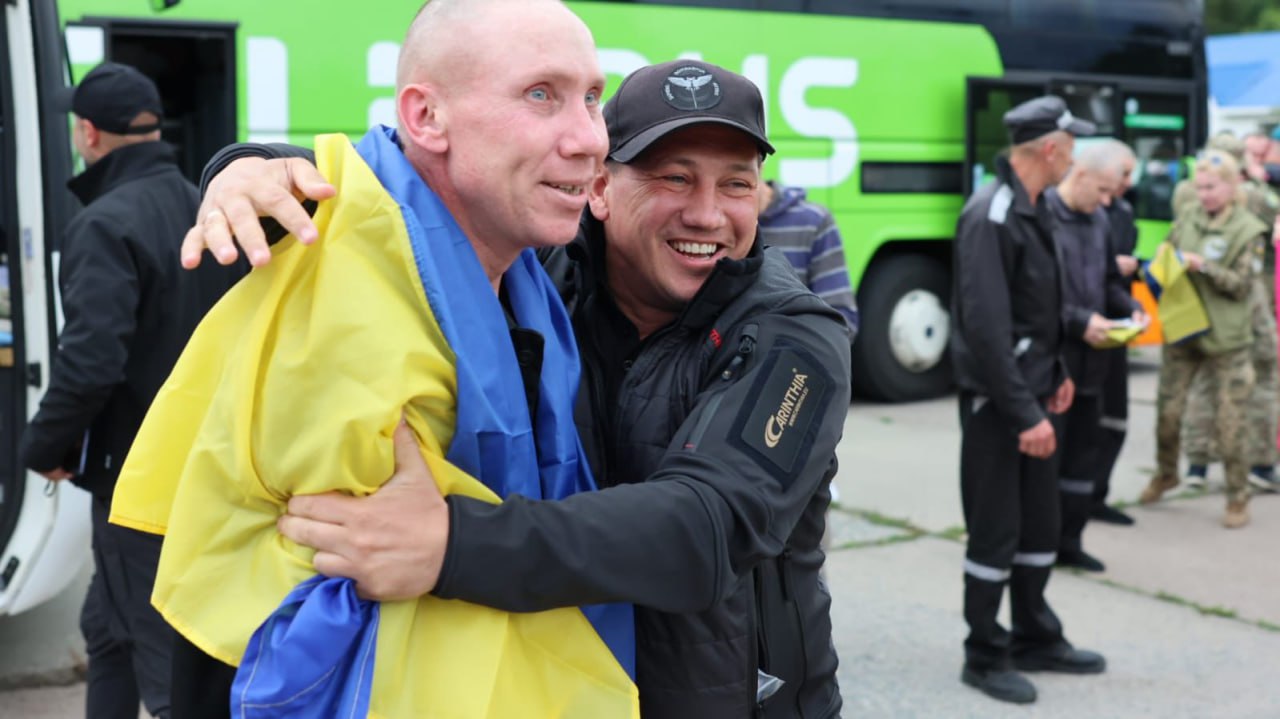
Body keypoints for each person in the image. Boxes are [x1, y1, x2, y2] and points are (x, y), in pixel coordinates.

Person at [187, 57, 852, 717]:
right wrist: (255, 165)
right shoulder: (539, 279)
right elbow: (417, 199)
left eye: (736, 185)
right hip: (556, 688)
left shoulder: (795, 335)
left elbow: (703, 527)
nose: (707, 214)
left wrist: (449, 543)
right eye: (674, 178)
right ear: (598, 188)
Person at [110, 2, 638, 717]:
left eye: (593, 98)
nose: (588, 139)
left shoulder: (526, 273)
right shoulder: (338, 265)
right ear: (425, 118)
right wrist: (239, 169)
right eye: (541, 94)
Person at [17, 62, 246, 719]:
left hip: (138, 486)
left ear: (88, 133)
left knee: (170, 674)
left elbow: (91, 360)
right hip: (212, 466)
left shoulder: (103, 224)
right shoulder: (205, 205)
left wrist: (43, 446)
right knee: (109, 632)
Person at [950, 95, 1104, 705]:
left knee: (1040, 525)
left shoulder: (1036, 208)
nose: (1076, 154)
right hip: (1002, 405)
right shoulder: (992, 212)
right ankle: (984, 653)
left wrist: (1059, 370)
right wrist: (1022, 412)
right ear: (1050, 148)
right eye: (1072, 144)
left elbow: (1036, 311)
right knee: (997, 530)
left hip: (1038, 396)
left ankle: (1036, 634)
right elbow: (987, 327)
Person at [1140, 150, 1268, 528]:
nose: (1205, 195)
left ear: (1231, 187)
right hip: (1184, 329)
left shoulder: (1249, 229)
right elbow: (1168, 248)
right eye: (1199, 187)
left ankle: (1237, 496)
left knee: (1231, 424)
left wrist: (1204, 267)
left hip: (1227, 338)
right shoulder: (1188, 217)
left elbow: (1243, 285)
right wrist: (1161, 260)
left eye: (1211, 187)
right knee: (1168, 413)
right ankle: (1167, 472)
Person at [1043, 144, 1143, 573]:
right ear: (1079, 173)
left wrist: (1128, 308)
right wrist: (1082, 321)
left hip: (1094, 363)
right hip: (1056, 364)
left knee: (1083, 459)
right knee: (1049, 464)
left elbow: (1106, 281)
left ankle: (1071, 541)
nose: (1107, 201)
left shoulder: (1098, 219)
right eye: (1102, 190)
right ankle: (1040, 547)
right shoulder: (1044, 217)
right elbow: (1039, 297)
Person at [1172, 133, 1280, 494]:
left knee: (1202, 381)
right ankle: (1261, 464)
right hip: (1250, 299)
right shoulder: (1248, 192)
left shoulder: (1187, 191)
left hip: (1199, 299)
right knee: (1264, 377)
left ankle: (1198, 464)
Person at [1090, 139, 1141, 526]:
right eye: (1121, 174)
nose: (1125, 183)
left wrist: (1133, 302)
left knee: (1115, 419)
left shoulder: (1123, 211)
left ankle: (1097, 495)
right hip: (1088, 330)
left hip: (1116, 328)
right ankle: (1077, 500)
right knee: (1087, 422)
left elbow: (1111, 276)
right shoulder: (1082, 212)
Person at [757, 180, 859, 340]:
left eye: (738, 183)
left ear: (760, 163)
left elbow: (841, 321)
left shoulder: (814, 221)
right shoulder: (715, 223)